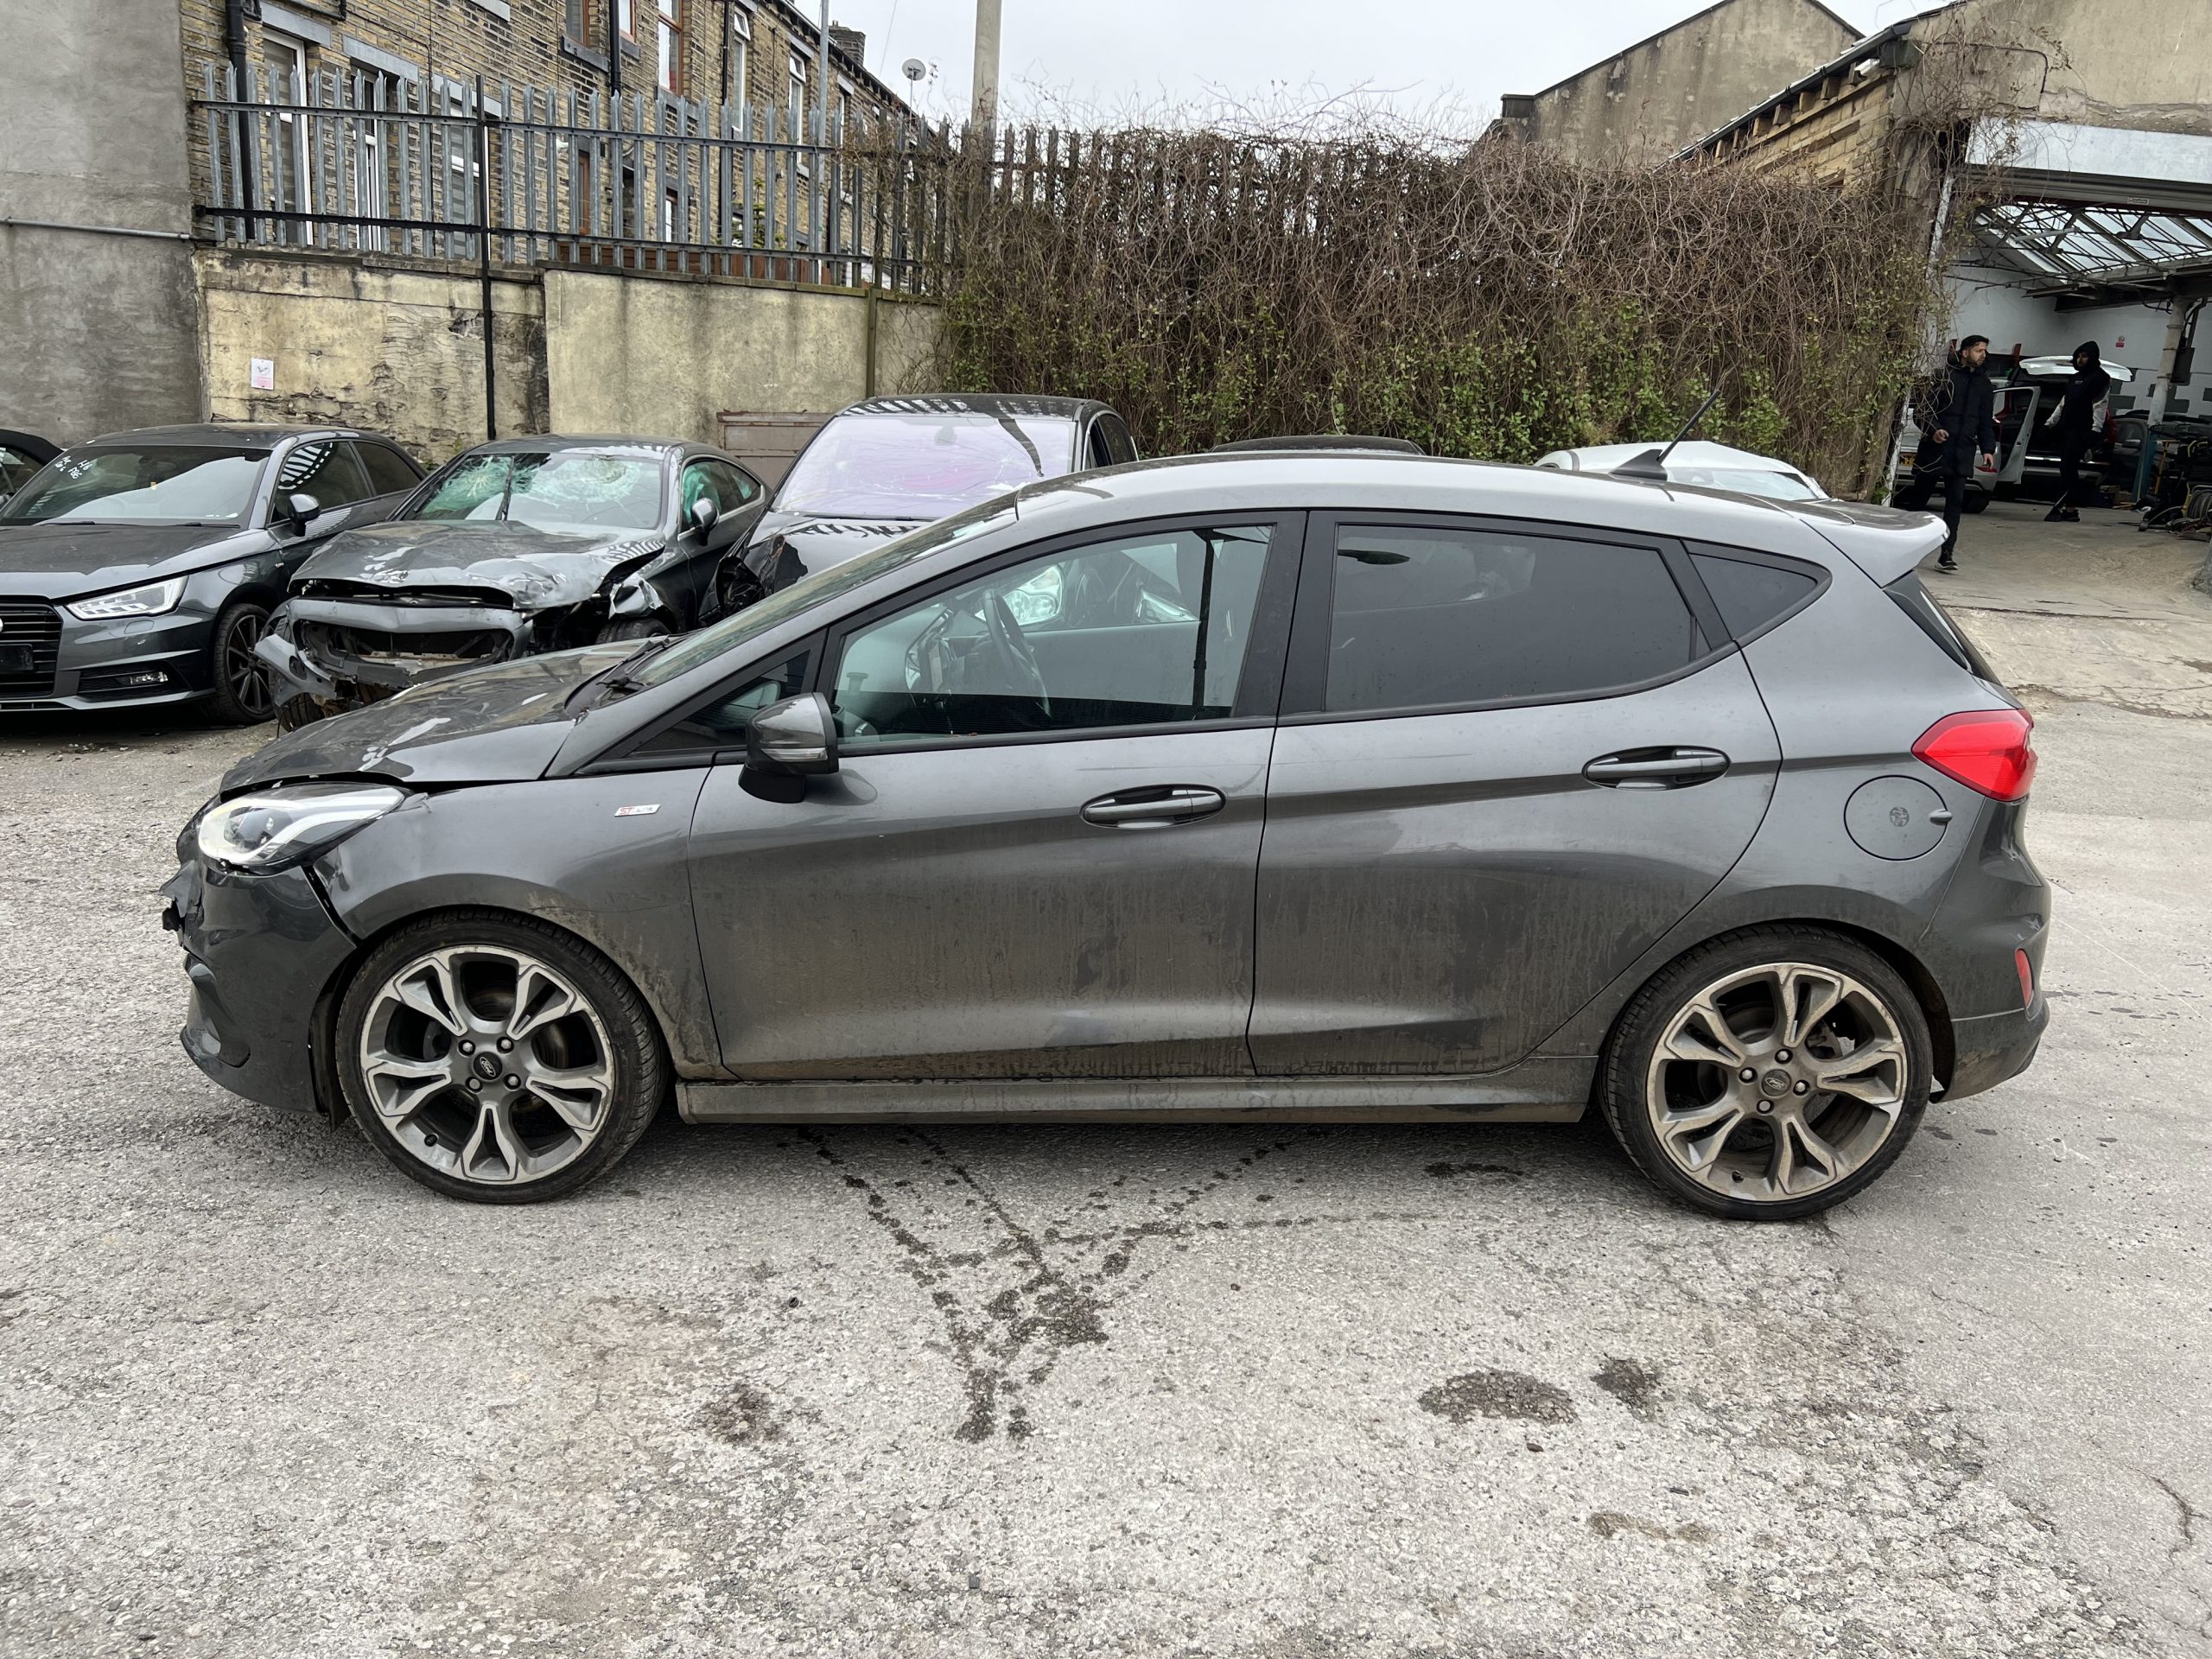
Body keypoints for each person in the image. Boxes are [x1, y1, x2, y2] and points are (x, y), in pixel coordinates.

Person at [1897, 335, 1999, 571]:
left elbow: (1985, 421)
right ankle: (1905, 549)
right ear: (1964, 352)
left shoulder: (1984, 385)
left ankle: (1947, 553)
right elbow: (1923, 412)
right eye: (1978, 351)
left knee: (1955, 504)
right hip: (1935, 450)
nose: (1982, 355)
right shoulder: (1943, 378)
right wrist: (1934, 431)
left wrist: (1988, 449)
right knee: (1919, 502)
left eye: (1984, 351)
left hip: (1963, 451)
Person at [2042, 340, 2111, 522]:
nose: (2081, 360)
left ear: (2093, 357)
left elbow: (2100, 404)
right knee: (2065, 468)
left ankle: (2062, 507)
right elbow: (2064, 403)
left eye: (2085, 356)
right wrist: (2049, 423)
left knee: (2069, 467)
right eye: (2079, 356)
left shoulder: (2100, 378)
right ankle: (2070, 510)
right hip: (2067, 427)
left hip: (2083, 429)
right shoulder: (2074, 379)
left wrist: (2095, 430)